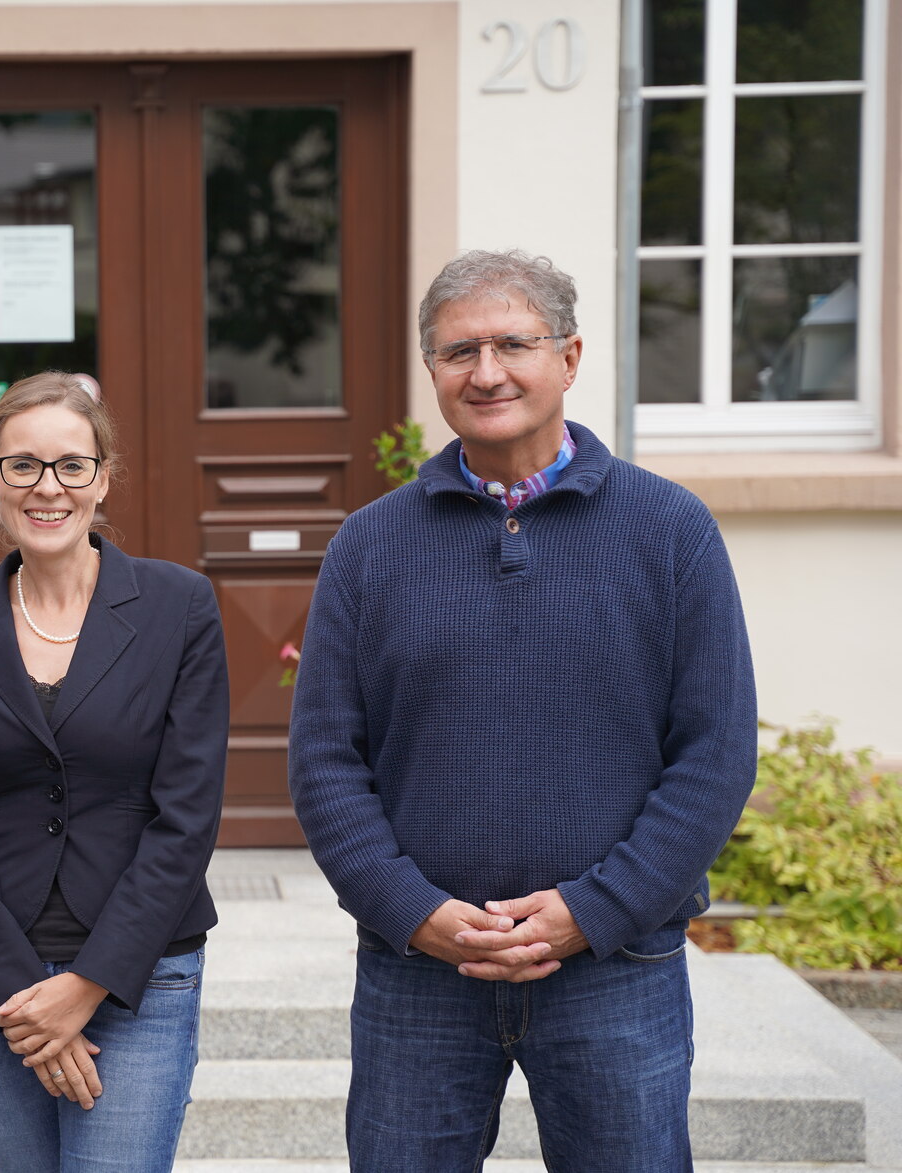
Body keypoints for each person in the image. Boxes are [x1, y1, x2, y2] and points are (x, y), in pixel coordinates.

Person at [289, 249, 757, 1170]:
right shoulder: (369, 547)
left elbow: (714, 754)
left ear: (571, 357)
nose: (487, 371)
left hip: (615, 968)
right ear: (432, 372)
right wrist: (411, 909)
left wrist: (597, 908)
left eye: (513, 343)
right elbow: (325, 761)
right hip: (420, 969)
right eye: (459, 351)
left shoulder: (671, 534)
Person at [0, 371, 229, 1172]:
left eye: (71, 465)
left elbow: (185, 818)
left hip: (141, 970)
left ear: (103, 475)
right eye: (22, 465)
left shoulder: (178, 606)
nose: (48, 487)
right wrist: (23, 997)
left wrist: (86, 985)